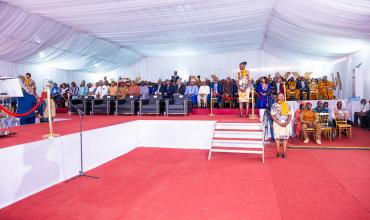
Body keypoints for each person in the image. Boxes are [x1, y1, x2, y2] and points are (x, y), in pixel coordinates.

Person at [270, 93, 292, 158]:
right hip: (277, 124)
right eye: (280, 96)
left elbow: (290, 115)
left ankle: (284, 153)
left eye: (282, 96)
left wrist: (287, 122)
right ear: (277, 98)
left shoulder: (287, 105)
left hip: (286, 124)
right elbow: (272, 115)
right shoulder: (274, 105)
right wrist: (279, 123)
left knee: (285, 138)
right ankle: (278, 152)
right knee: (277, 138)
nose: (281, 97)